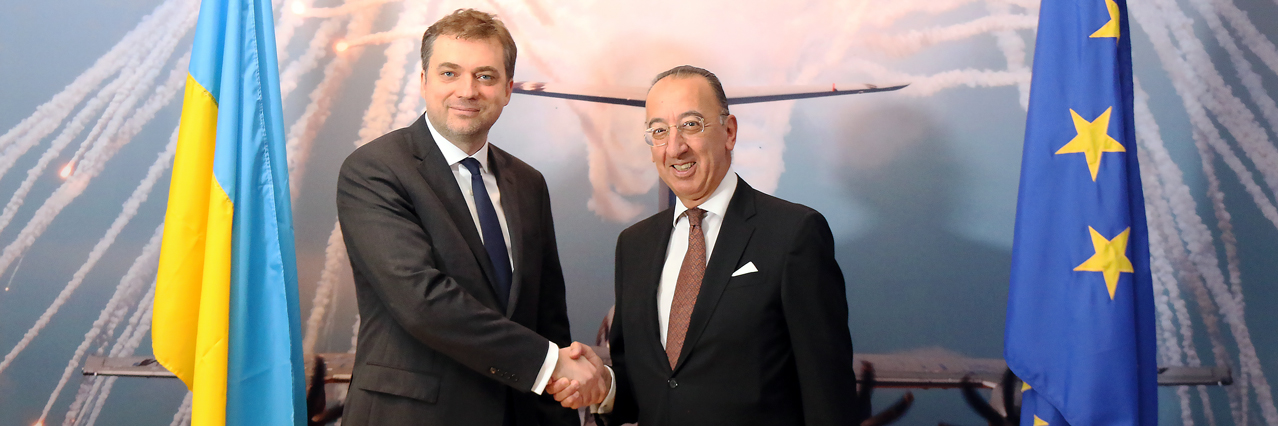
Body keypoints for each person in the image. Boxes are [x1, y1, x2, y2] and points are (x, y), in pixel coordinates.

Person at [336, 9, 605, 425]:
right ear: (423, 81)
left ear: (508, 89)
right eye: (449, 73)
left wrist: (562, 391)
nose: (468, 90)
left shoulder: (528, 183)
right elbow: (422, 301)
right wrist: (551, 364)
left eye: (485, 76)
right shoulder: (374, 170)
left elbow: (547, 318)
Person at [556, 65, 857, 425]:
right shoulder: (634, 246)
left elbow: (828, 395)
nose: (675, 148)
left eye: (691, 125)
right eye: (659, 131)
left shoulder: (794, 233)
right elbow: (650, 389)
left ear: (729, 132)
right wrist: (604, 389)